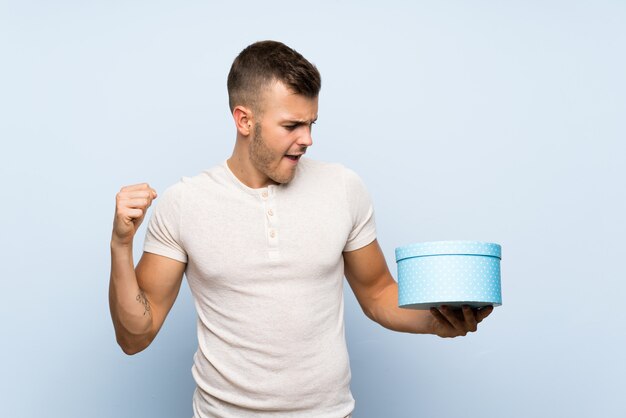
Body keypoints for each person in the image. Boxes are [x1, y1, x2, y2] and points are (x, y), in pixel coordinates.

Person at [109, 40, 493, 418]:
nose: (307, 139)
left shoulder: (343, 188)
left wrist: (436, 322)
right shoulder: (184, 203)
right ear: (244, 120)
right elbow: (135, 336)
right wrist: (121, 245)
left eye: (310, 123)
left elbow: (377, 292)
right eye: (291, 125)